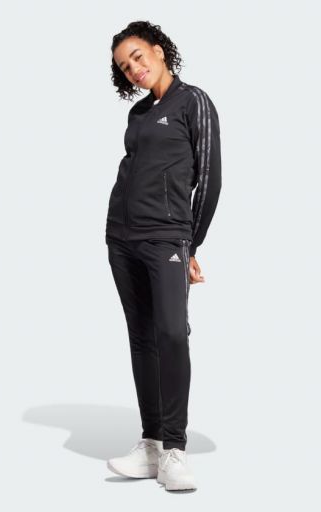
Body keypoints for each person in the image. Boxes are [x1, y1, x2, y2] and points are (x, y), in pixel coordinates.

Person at [105, 20, 222, 492]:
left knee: (172, 334)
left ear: (158, 50)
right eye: (124, 66)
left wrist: (191, 244)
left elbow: (209, 177)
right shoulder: (138, 114)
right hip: (121, 237)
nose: (133, 68)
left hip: (166, 238)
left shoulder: (193, 101)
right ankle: (151, 442)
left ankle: (174, 449)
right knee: (142, 338)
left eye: (137, 56)